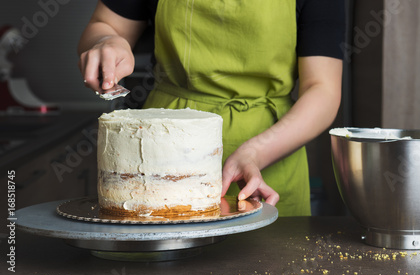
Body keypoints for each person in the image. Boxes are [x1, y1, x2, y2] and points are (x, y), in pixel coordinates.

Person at [78, 0, 345, 216]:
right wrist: (106, 41)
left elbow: (323, 89)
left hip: (270, 158)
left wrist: (255, 153)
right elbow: (105, 24)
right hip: (162, 152)